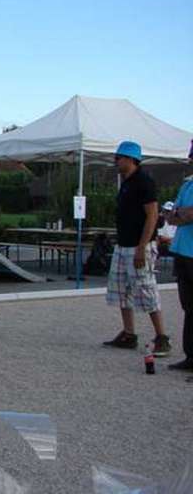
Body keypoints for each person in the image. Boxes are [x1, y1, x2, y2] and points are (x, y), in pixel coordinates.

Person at [103, 141, 171, 356]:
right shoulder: (126, 182)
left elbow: (152, 215)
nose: (116, 161)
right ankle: (128, 333)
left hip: (139, 246)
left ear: (131, 159)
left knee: (145, 288)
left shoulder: (144, 182)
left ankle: (162, 337)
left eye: (118, 158)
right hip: (123, 245)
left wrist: (142, 247)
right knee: (121, 289)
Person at [165, 140, 193, 371]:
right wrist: (179, 213)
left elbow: (183, 213)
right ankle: (190, 355)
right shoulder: (187, 185)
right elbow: (172, 215)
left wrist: (179, 213)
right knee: (188, 306)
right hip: (182, 251)